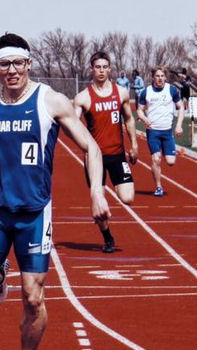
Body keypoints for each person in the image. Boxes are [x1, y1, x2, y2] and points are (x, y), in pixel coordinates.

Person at [0, 33, 110, 350]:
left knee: (33, 298)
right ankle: (0, 271)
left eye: (18, 63)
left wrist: (96, 192)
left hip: (34, 215)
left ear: (29, 63)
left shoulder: (50, 101)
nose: (12, 71)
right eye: (4, 64)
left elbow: (90, 146)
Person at [73, 52, 138, 254]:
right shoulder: (83, 98)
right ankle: (108, 238)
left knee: (127, 198)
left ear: (110, 69)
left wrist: (134, 144)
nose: (101, 70)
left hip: (117, 154)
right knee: (99, 202)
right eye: (97, 67)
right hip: (95, 158)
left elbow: (129, 119)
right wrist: (85, 146)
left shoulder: (121, 93)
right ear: (92, 69)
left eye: (104, 67)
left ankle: (108, 199)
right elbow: (72, 126)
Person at [137, 66, 184, 197]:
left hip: (167, 131)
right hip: (153, 131)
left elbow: (181, 107)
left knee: (170, 162)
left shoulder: (172, 90)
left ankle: (165, 150)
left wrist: (179, 125)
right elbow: (139, 109)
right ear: (153, 77)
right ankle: (158, 186)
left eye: (162, 76)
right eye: (157, 76)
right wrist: (144, 118)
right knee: (155, 159)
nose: (160, 78)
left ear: (165, 77)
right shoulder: (146, 92)